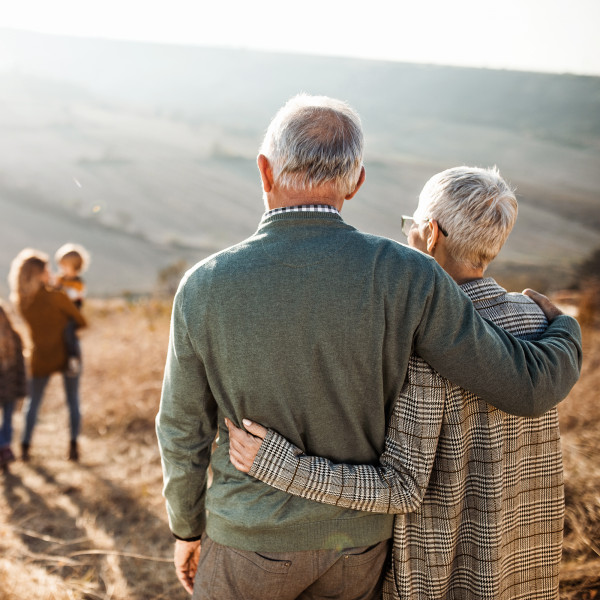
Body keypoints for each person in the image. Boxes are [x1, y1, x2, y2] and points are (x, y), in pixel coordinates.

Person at [156, 96, 581, 600]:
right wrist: (565, 331)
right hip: (359, 548)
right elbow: (520, 384)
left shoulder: (203, 285)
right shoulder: (407, 274)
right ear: (356, 182)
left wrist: (186, 528)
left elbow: (182, 429)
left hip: (249, 540)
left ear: (264, 171)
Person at [227, 166, 570, 599]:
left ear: (430, 235)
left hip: (444, 574)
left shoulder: (421, 344)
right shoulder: (537, 321)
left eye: (410, 226)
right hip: (526, 567)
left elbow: (402, 488)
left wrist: (282, 466)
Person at [9, 248, 87, 462]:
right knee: (73, 400)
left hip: (40, 354)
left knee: (32, 402)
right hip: (67, 352)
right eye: (47, 269)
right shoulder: (56, 297)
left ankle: (25, 447)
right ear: (39, 273)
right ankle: (73, 446)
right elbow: (81, 320)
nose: (52, 272)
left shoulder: (21, 302)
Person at [54, 243, 89, 376]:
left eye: (64, 266)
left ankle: (73, 358)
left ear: (75, 267)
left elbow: (73, 296)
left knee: (69, 333)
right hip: (60, 315)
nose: (61, 269)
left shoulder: (78, 282)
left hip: (72, 315)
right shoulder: (60, 279)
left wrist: (60, 289)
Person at [0, 302, 26, 472]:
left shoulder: (15, 337)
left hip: (7, 388)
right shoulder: (15, 336)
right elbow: (21, 367)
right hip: (10, 389)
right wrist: (22, 388)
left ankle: (3, 448)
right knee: (8, 420)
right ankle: (6, 448)